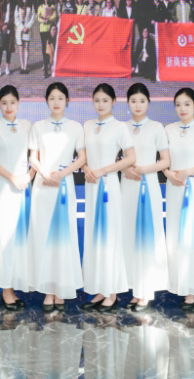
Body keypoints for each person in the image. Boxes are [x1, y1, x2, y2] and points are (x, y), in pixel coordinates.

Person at [28, 82, 86, 312]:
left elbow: (82, 158)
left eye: (60, 98)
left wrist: (61, 174)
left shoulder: (76, 127)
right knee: (44, 236)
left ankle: (61, 288)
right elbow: (33, 157)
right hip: (43, 187)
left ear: (67, 101)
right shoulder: (38, 126)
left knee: (63, 237)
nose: (56, 102)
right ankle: (48, 290)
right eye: (52, 98)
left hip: (64, 185)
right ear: (46, 101)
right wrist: (44, 174)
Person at [80, 84, 136, 314]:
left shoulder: (120, 127)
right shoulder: (87, 125)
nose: (100, 104)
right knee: (94, 237)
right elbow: (82, 157)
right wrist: (86, 169)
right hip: (91, 185)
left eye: (105, 100)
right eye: (97, 100)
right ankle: (100, 289)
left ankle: (111, 293)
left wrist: (104, 170)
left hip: (109, 186)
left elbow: (130, 158)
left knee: (110, 236)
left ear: (114, 101)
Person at [0, 85, 35, 311]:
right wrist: (12, 177)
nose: (8, 107)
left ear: (19, 103)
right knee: (3, 237)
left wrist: (28, 176)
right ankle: (6, 291)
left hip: (23, 188)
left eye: (12, 102)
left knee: (19, 237)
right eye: (4, 103)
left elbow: (36, 155)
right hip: (3, 187)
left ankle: (14, 285)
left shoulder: (27, 125)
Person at [120, 83, 169, 311]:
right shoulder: (121, 127)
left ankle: (146, 291)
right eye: (133, 101)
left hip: (148, 185)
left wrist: (143, 169)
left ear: (148, 102)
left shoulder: (157, 127)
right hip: (127, 186)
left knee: (148, 236)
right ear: (127, 103)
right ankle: (135, 288)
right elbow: (114, 158)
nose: (137, 105)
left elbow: (165, 161)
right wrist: (126, 169)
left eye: (142, 101)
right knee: (129, 235)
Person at [164, 87, 194, 313]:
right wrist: (168, 174)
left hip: (193, 187)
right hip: (174, 188)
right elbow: (163, 160)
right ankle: (180, 284)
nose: (182, 109)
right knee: (176, 236)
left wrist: (187, 172)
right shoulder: (168, 129)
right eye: (178, 104)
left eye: (187, 104)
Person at [0, 0, 16, 77]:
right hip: (1, 29)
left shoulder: (14, 5)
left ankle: (7, 67)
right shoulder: (1, 5)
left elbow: (14, 17)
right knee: (0, 49)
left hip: (9, 29)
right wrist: (3, 25)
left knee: (8, 49)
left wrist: (7, 25)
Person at [37, 0, 58, 75]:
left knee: (51, 47)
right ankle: (45, 65)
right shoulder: (40, 7)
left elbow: (54, 15)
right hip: (43, 30)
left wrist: (49, 19)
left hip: (50, 30)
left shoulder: (52, 7)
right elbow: (38, 17)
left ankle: (51, 63)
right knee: (44, 48)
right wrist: (43, 20)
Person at [15, 0, 36, 75]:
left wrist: (27, 27)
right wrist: (21, 27)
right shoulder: (18, 6)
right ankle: (22, 66)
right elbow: (16, 18)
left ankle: (25, 67)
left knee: (26, 48)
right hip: (20, 30)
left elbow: (33, 17)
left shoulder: (31, 6)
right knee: (21, 49)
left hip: (27, 29)